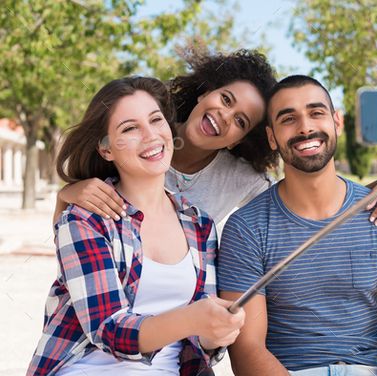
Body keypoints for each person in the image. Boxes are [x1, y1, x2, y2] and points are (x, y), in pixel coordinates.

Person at [54, 50, 377, 233]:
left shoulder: (240, 180)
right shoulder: (142, 131)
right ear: (206, 89)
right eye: (225, 99)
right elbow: (67, 229)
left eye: (241, 121)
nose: (225, 116)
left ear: (241, 139)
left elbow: (302, 205)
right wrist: (66, 193)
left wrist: (373, 191)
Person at [28, 77, 245, 376]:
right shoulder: (84, 219)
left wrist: (212, 335)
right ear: (106, 149)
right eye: (130, 128)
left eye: (156, 120)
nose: (150, 136)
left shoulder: (201, 226)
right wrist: (191, 320)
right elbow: (108, 329)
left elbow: (197, 346)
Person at [218, 75, 377, 376]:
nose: (305, 127)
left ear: (337, 122)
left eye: (316, 113)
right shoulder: (246, 228)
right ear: (271, 137)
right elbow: (246, 348)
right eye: (288, 119)